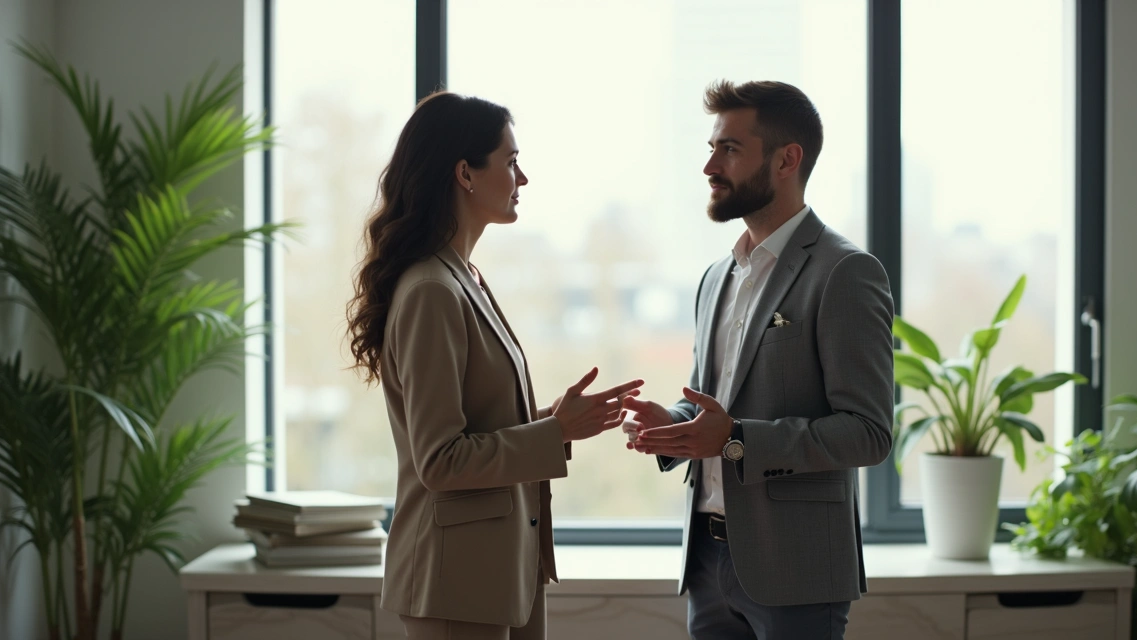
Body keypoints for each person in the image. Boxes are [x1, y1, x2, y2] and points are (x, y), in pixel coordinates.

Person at [346, 91, 643, 640]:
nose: (522, 178)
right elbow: (441, 460)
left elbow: (474, 421)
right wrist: (553, 432)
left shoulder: (464, 277)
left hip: (498, 571)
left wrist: (556, 419)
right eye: (510, 162)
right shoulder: (432, 290)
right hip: (455, 579)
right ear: (465, 173)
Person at [623, 80, 894, 640]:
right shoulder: (714, 277)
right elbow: (710, 401)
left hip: (796, 568)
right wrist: (671, 426)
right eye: (711, 147)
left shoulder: (846, 272)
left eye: (729, 149)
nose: (709, 166)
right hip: (705, 561)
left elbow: (868, 433)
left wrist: (734, 438)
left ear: (786, 160)